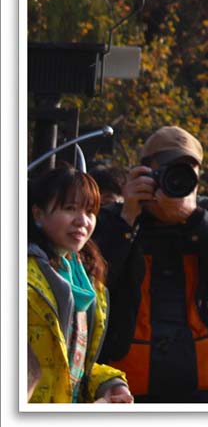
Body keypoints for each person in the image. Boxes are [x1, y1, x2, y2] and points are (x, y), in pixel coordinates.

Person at [93, 125, 208, 403]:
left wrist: (194, 219)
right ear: (146, 171)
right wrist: (127, 220)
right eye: (170, 168)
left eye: (188, 170)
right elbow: (94, 284)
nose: (178, 178)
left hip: (206, 387)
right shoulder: (117, 216)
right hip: (130, 386)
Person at [27, 164, 133, 404]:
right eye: (70, 208)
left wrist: (108, 384)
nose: (82, 221)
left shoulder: (88, 281)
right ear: (38, 215)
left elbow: (71, 366)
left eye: (90, 211)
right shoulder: (23, 279)